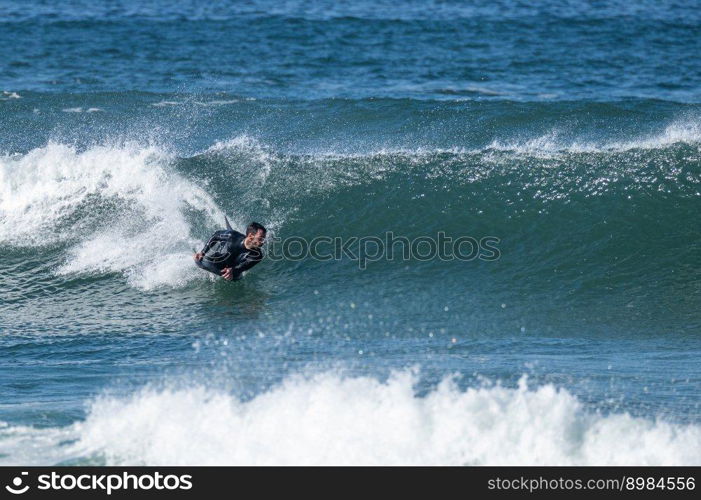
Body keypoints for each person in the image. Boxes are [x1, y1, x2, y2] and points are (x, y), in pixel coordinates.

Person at [194, 220, 266, 281]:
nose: (263, 242)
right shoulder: (232, 236)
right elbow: (216, 235)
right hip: (217, 260)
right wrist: (203, 252)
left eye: (263, 239)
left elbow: (243, 267)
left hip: (233, 274)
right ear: (250, 236)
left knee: (234, 278)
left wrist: (233, 270)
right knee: (199, 261)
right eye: (260, 239)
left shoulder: (258, 255)